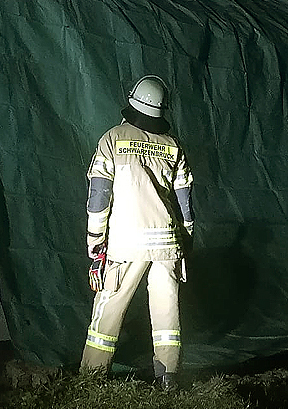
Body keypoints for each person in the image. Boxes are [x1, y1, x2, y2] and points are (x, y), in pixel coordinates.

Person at [81, 75, 194, 390]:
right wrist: (186, 239)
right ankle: (168, 376)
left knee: (109, 309)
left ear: (132, 101)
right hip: (167, 243)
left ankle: (92, 377)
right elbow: (185, 202)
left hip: (126, 243)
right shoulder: (173, 145)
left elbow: (99, 197)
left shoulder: (112, 139)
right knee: (167, 311)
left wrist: (95, 240)